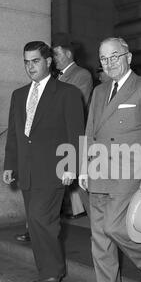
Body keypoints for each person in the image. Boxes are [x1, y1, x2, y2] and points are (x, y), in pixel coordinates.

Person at [79, 37, 141, 282]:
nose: (109, 63)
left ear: (128, 56)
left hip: (128, 171)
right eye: (104, 59)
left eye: (114, 56)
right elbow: (90, 130)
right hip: (98, 169)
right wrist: (83, 166)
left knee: (115, 227)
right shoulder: (99, 91)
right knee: (99, 236)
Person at [3, 41, 84, 282]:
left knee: (41, 219)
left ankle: (52, 272)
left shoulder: (68, 93)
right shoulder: (18, 95)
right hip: (26, 170)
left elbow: (76, 133)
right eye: (26, 62)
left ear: (48, 61)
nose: (30, 66)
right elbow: (15, 135)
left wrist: (71, 166)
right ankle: (46, 269)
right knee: (35, 221)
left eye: (35, 60)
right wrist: (10, 164)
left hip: (54, 168)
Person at [52, 32, 93, 219]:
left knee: (84, 188)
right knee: (50, 187)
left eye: (56, 54)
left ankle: (102, 228)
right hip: (55, 140)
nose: (54, 59)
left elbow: (77, 105)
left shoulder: (81, 75)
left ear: (68, 54)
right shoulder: (54, 77)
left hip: (72, 139)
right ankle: (37, 227)